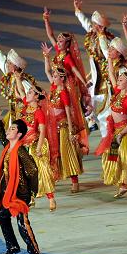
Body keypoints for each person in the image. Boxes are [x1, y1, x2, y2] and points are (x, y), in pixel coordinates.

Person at [0, 107, 41, 254]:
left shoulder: (20, 151)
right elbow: (1, 134)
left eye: (13, 128)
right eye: (9, 127)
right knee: (2, 216)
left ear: (20, 134)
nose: (9, 130)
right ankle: (13, 246)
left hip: (20, 194)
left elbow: (33, 170)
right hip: (8, 192)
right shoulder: (9, 147)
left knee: (22, 224)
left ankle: (35, 253)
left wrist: (31, 192)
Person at [95, 59, 127, 205]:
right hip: (117, 131)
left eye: (121, 79)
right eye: (118, 79)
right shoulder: (117, 93)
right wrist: (108, 58)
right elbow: (111, 73)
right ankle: (123, 185)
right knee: (110, 157)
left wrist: (122, 133)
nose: (117, 80)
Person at [42, 47, 88, 194]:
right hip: (53, 126)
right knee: (55, 152)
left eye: (56, 76)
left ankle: (75, 181)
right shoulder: (54, 88)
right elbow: (47, 72)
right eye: (54, 75)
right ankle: (57, 175)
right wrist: (46, 57)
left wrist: (70, 129)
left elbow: (68, 111)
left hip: (63, 126)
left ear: (62, 78)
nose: (53, 77)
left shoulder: (63, 92)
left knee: (67, 152)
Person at [13, 73, 57, 211]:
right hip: (24, 144)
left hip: (36, 144)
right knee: (25, 172)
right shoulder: (27, 106)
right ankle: (30, 197)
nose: (28, 93)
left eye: (31, 92)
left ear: (37, 97)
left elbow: (43, 131)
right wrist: (18, 79)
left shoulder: (39, 112)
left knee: (42, 171)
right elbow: (20, 91)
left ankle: (51, 198)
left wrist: (38, 148)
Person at [73, 0, 114, 135]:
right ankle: (92, 122)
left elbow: (108, 55)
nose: (97, 27)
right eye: (96, 25)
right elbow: (85, 23)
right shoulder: (92, 35)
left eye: (99, 26)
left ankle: (107, 135)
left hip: (106, 78)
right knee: (89, 100)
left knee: (104, 109)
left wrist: (102, 37)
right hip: (96, 77)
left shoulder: (109, 40)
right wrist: (78, 11)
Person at [0, 35, 36, 128]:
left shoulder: (23, 82)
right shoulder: (10, 75)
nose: (7, 65)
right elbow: (1, 61)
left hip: (22, 115)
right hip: (13, 112)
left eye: (10, 63)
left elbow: (32, 97)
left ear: (16, 67)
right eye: (8, 62)